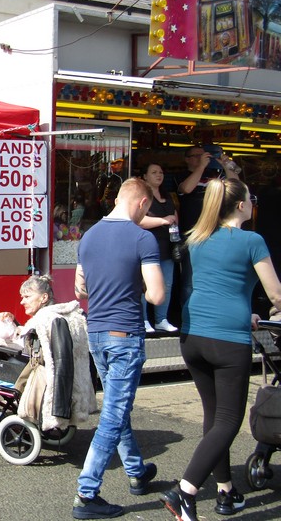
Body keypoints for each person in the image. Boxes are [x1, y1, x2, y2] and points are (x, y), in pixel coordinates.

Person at [159, 179, 281, 521]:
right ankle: (184, 491)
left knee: (214, 417)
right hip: (228, 339)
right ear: (242, 205)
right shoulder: (252, 241)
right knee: (229, 420)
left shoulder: (196, 239)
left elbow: (214, 286)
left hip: (193, 335)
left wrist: (247, 311)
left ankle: (226, 491)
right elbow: (277, 295)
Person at [72, 178, 166, 520]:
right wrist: (136, 282)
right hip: (125, 333)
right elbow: (156, 296)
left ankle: (137, 471)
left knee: (116, 404)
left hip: (96, 331)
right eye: (147, 210)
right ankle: (87, 492)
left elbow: (80, 289)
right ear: (141, 203)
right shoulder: (143, 238)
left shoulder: (89, 236)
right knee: (113, 413)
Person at [16, 275, 97, 433]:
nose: (22, 301)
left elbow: (54, 359)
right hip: (77, 385)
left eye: (27, 296)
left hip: (46, 379)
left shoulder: (45, 319)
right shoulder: (67, 315)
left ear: (44, 297)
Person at [176, 145, 240, 305]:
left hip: (215, 233)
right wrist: (201, 166)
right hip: (193, 233)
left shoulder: (214, 175)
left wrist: (226, 165)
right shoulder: (181, 176)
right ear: (187, 159)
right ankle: (187, 317)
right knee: (190, 281)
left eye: (203, 155)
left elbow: (237, 189)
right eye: (196, 155)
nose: (201, 157)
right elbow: (187, 188)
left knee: (215, 276)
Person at [138, 163, 178, 333]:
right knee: (145, 286)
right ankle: (144, 320)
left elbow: (175, 217)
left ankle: (161, 319)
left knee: (166, 285)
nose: (159, 175)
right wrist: (163, 220)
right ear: (145, 176)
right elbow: (138, 220)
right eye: (154, 172)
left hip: (167, 246)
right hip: (148, 247)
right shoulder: (142, 197)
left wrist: (173, 220)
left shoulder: (167, 196)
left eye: (161, 172)